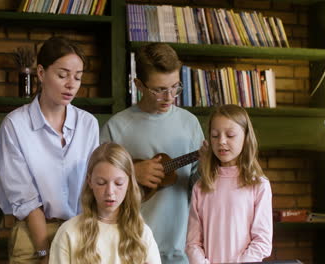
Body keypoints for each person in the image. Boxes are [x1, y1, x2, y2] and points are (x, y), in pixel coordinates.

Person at [0, 36, 99, 264]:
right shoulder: (15, 125)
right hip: (33, 238)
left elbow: (94, 184)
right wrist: (44, 251)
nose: (71, 84)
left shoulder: (88, 124)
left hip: (79, 233)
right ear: (41, 73)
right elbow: (25, 199)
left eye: (78, 77)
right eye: (62, 75)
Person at [100, 43, 204, 264]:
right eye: (159, 90)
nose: (170, 96)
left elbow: (200, 188)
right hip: (129, 252)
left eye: (175, 87)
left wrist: (208, 167)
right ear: (138, 85)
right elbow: (95, 188)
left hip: (180, 253)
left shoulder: (190, 123)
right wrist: (130, 174)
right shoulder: (116, 127)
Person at [186, 104, 273, 264]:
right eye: (215, 135)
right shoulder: (201, 186)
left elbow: (262, 241)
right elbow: (192, 243)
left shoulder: (259, 185)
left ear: (246, 137)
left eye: (230, 135)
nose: (222, 141)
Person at [49, 142, 161, 264]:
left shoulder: (142, 234)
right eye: (101, 183)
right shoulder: (68, 232)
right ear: (90, 181)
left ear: (129, 182)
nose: (110, 192)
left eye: (118, 183)